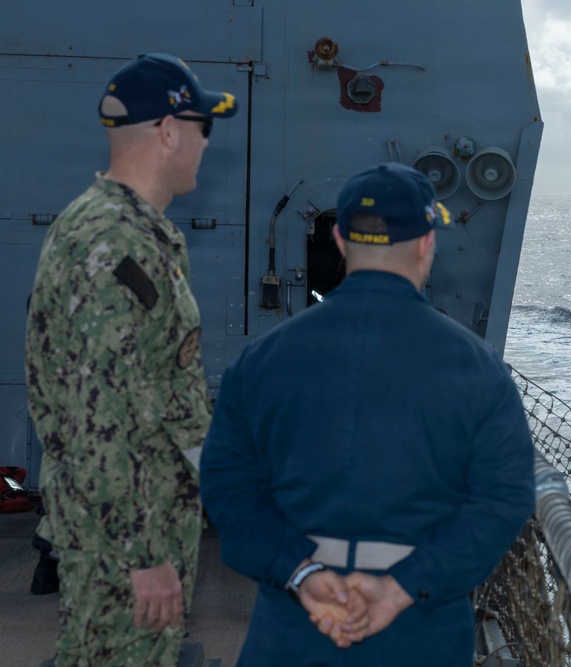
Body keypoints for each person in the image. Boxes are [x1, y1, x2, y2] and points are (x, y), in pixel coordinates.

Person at [199, 162, 536, 665]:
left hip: (293, 631)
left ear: (338, 238)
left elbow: (226, 486)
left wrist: (303, 575)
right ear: (427, 242)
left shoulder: (263, 359)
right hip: (419, 635)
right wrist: (403, 587)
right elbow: (505, 499)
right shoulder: (477, 367)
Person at [24, 52, 238, 666]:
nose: (204, 143)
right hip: (124, 539)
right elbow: (97, 417)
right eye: (204, 126)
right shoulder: (111, 240)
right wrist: (144, 556)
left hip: (136, 522)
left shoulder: (133, 232)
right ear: (169, 131)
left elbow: (154, 391)